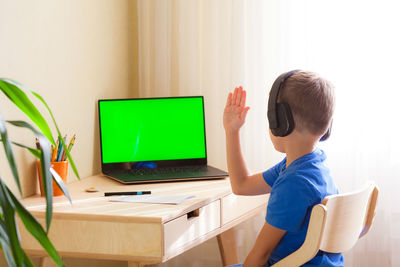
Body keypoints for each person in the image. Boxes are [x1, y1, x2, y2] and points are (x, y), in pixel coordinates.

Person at [223, 70, 344, 267]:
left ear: (281, 121)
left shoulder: (293, 184)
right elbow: (242, 185)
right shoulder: (311, 165)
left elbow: (260, 254)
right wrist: (232, 131)